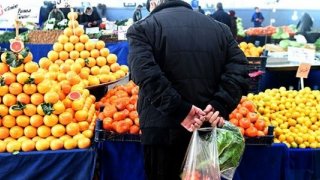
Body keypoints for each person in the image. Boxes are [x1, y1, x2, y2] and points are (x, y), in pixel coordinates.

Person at [127, 0, 249, 179]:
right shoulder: (220, 29)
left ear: (153, 2)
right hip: (207, 129)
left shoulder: (142, 28)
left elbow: (144, 73)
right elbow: (240, 69)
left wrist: (180, 110)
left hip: (161, 132)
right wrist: (219, 105)